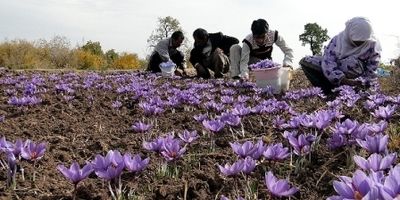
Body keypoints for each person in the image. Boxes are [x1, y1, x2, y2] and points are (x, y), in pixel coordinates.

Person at [300, 17, 381, 94]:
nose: (359, 44)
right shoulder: (338, 40)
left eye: (363, 41)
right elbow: (328, 61)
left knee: (351, 62)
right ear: (349, 33)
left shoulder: (372, 43)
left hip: (357, 74)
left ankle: (352, 91)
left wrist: (365, 83)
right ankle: (327, 89)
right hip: (335, 73)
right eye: (356, 40)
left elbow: (372, 68)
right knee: (307, 61)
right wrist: (344, 80)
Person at [230, 19, 294, 80]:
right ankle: (236, 77)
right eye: (257, 37)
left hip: (266, 63)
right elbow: (244, 61)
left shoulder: (274, 35)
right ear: (253, 34)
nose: (260, 40)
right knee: (235, 47)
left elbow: (288, 50)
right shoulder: (248, 41)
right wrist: (245, 75)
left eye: (263, 36)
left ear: (267, 33)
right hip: (251, 62)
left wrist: (287, 62)